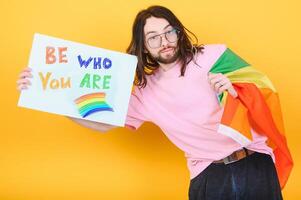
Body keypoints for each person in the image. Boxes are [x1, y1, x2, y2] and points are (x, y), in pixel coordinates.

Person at [17, 5, 293, 200]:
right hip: (209, 176)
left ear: (179, 32)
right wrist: (48, 95)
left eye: (169, 32)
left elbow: (263, 89)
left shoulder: (214, 55)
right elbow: (101, 124)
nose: (164, 42)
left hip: (254, 163)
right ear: (144, 46)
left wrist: (234, 90)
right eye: (153, 37)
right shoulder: (144, 91)